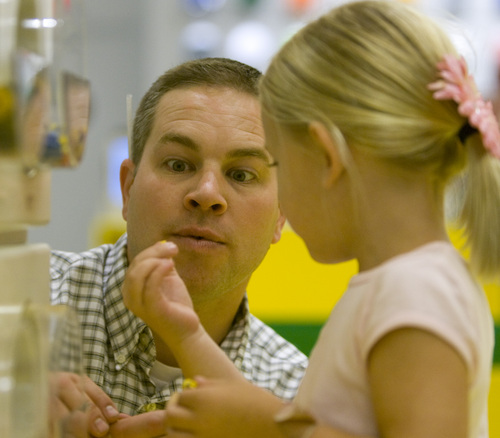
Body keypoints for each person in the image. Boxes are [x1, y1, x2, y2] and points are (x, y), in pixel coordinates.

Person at [158, 2, 500, 437]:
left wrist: (269, 428)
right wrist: (185, 333)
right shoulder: (400, 286)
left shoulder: (415, 294)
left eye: (277, 164)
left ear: (325, 156)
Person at [50, 57, 308, 437]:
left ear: (281, 215)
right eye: (177, 164)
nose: (206, 194)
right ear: (127, 188)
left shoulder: (296, 397)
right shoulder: (22, 301)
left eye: (241, 174)